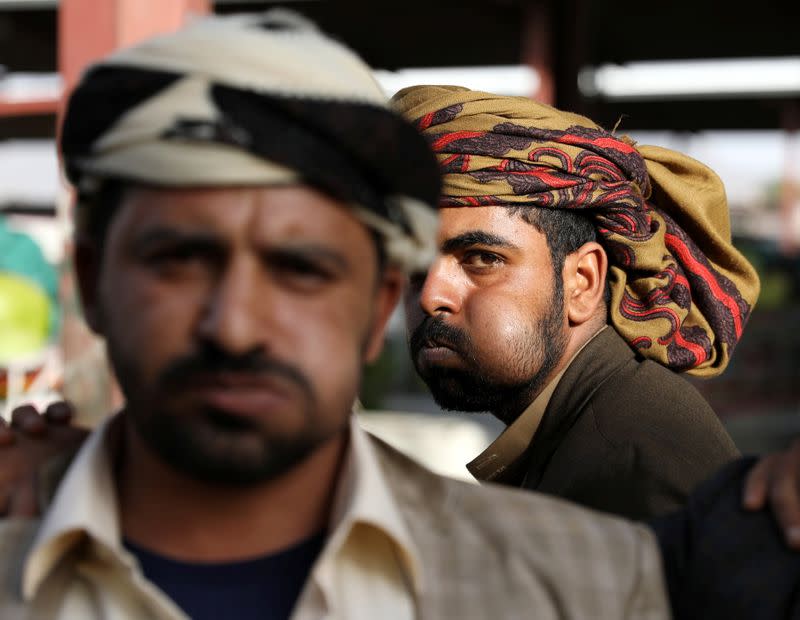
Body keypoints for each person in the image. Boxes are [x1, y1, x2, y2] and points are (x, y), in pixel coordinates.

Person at [0, 12, 674, 620]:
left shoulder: (588, 586)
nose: (235, 326)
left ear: (378, 302)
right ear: (92, 282)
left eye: (303, 269)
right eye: (179, 259)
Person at [392, 85, 758, 520]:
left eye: (483, 259)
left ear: (583, 281)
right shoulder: (589, 430)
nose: (432, 295)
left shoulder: (631, 475)